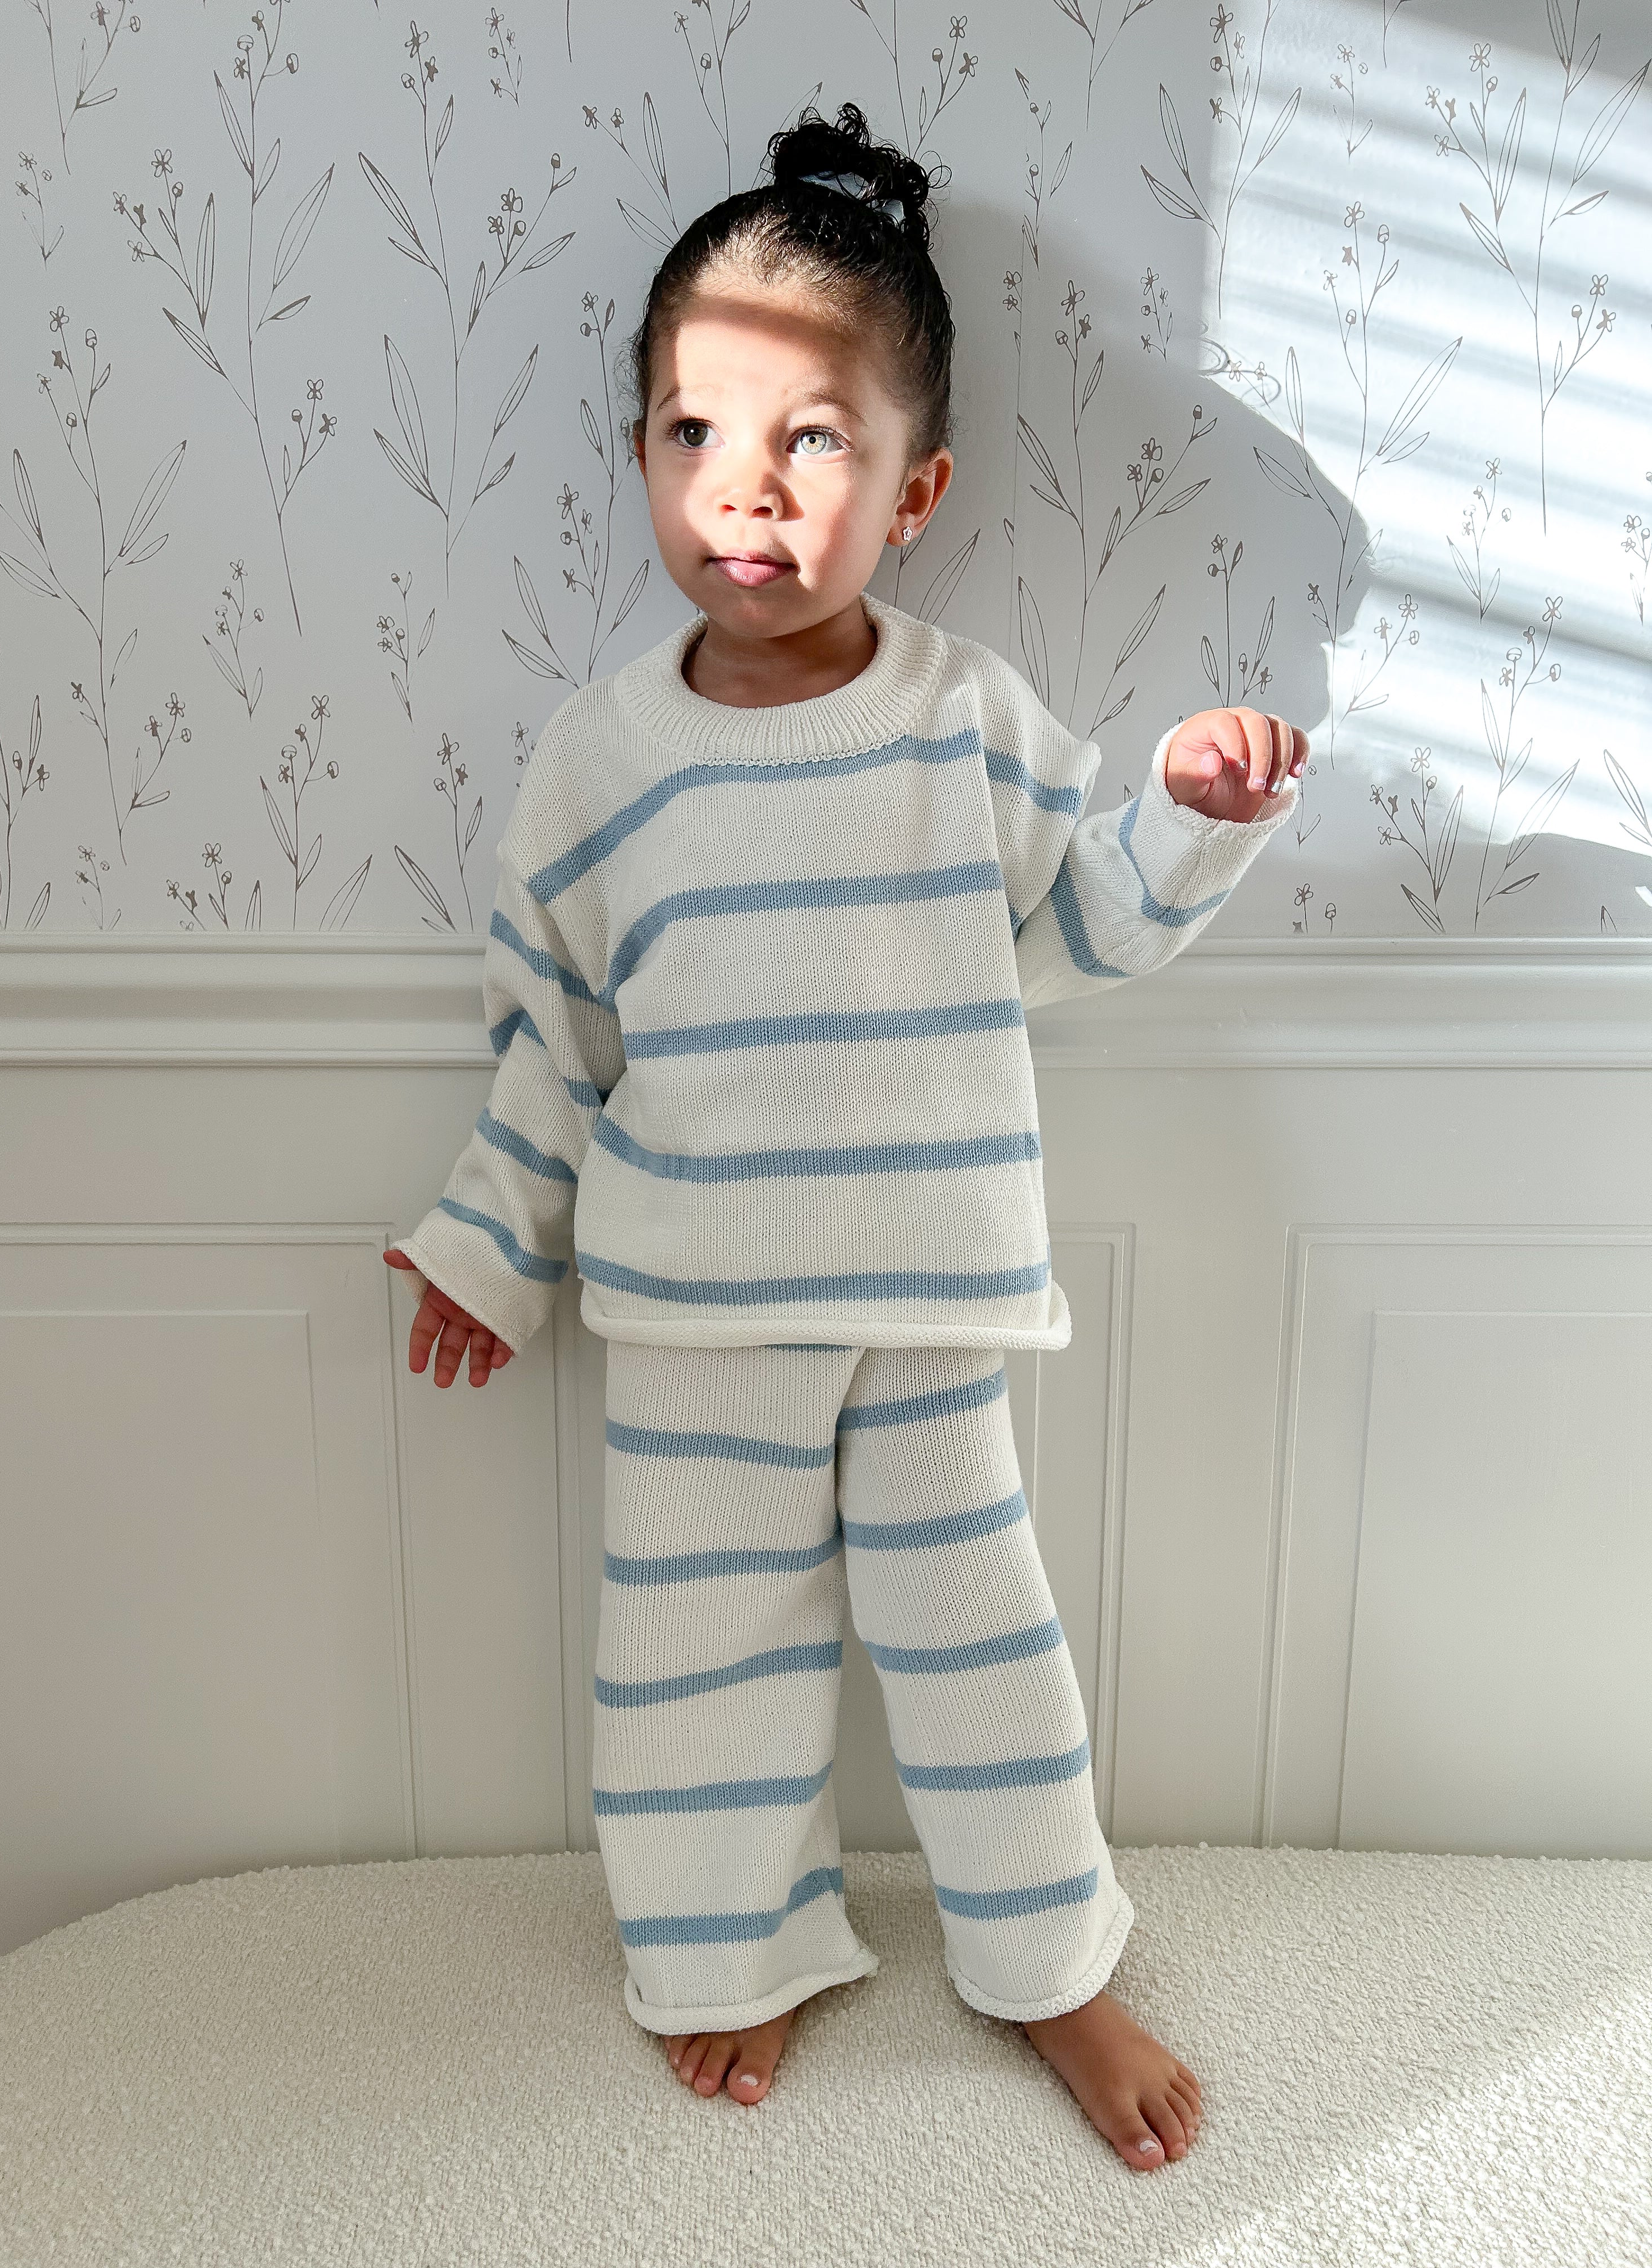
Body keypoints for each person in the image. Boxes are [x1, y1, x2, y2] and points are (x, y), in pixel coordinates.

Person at [384, 101, 1304, 2172]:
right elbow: (560, 1029)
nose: (752, 491)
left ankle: (1055, 1970)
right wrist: (484, 1237)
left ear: (917, 489)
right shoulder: (602, 763)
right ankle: (730, 1956)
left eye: (816, 443)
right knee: (693, 1663)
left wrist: (1190, 812)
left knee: (984, 1654)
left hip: (921, 1303)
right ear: (643, 456)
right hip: (697, 1311)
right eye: (700, 433)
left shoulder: (962, 719)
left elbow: (1085, 924)